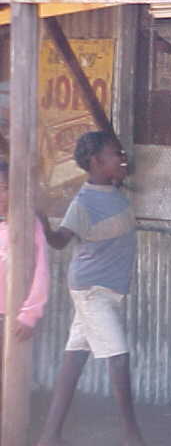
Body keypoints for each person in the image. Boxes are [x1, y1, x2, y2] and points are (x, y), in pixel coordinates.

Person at [37, 131, 145, 446]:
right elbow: (60, 243)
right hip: (92, 290)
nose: (121, 158)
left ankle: (49, 436)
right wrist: (44, 224)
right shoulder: (82, 204)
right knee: (119, 357)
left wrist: (122, 170)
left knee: (74, 360)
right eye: (115, 154)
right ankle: (132, 436)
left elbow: (126, 172)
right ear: (97, 162)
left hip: (107, 291)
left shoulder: (113, 191)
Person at [0, 160, 50, 403]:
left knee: (9, 380)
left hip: (12, 319)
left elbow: (40, 272)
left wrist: (29, 315)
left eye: (6, 187)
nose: (2, 194)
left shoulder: (29, 225)